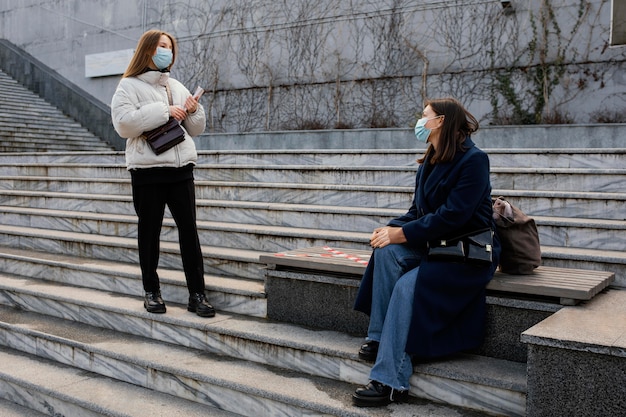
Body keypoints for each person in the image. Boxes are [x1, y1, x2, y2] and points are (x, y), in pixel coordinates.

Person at [351, 97, 500, 407]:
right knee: (386, 253)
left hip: (466, 252)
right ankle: (380, 339)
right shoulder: (432, 158)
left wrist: (402, 234)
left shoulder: (474, 160)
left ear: (441, 121)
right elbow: (418, 211)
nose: (420, 122)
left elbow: (453, 216)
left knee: (409, 287)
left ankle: (391, 381)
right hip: (436, 245)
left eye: (425, 116)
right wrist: (389, 230)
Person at [110, 30, 215, 318]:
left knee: (189, 233)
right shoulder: (127, 87)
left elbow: (195, 130)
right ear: (146, 50)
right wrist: (164, 111)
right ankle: (151, 292)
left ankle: (197, 294)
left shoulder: (176, 86)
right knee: (149, 233)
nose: (165, 51)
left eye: (168, 47)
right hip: (148, 171)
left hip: (181, 169)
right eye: (159, 47)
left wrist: (193, 111)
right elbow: (123, 126)